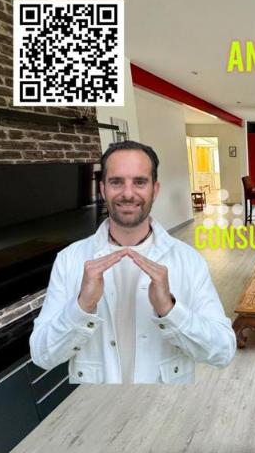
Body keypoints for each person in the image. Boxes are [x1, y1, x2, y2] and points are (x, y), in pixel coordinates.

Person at [30, 141, 236, 384]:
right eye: (116, 182)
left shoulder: (189, 260)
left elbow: (223, 352)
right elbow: (42, 356)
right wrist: (82, 305)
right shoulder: (69, 260)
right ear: (103, 189)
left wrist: (169, 310)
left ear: (154, 190)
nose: (128, 194)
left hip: (162, 403)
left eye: (139, 182)